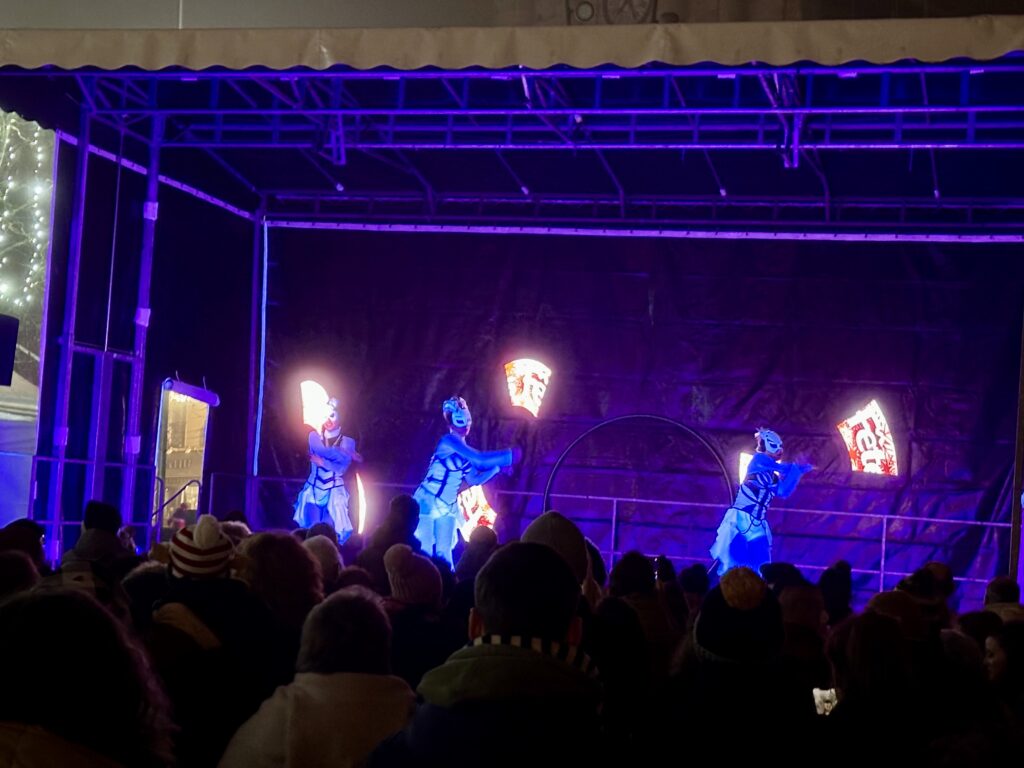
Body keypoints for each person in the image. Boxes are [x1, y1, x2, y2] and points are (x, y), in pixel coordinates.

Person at [413, 396, 517, 566]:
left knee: (445, 552)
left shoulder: (464, 450)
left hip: (447, 506)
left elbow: (474, 479)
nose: (466, 425)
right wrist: (509, 456)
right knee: (425, 551)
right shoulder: (448, 441)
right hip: (427, 500)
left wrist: (496, 469)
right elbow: (480, 460)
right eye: (461, 420)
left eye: (468, 420)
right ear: (451, 422)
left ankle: (447, 581)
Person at [710, 427, 812, 575]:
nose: (780, 450)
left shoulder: (771, 474)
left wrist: (798, 471)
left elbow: (783, 491)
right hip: (740, 518)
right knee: (735, 563)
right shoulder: (759, 460)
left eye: (780, 446)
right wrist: (797, 467)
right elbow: (782, 468)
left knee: (761, 564)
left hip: (756, 521)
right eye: (775, 446)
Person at [294, 394, 363, 542]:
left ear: (340, 417)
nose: (328, 420)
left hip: (334, 490)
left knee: (329, 533)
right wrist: (337, 454)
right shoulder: (313, 437)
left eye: (332, 415)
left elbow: (341, 469)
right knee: (310, 531)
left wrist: (323, 461)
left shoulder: (347, 442)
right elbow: (320, 454)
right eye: (325, 416)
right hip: (313, 488)